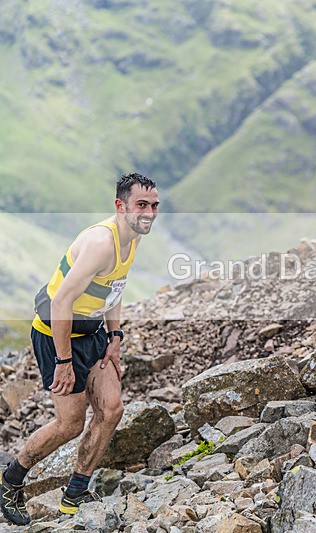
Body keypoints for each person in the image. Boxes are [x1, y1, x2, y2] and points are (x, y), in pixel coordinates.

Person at [0, 174, 158, 525]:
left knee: (112, 409)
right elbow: (60, 301)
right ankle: (9, 480)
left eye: (154, 205)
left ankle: (75, 493)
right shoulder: (102, 242)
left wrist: (115, 339)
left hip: (92, 331)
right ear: (121, 206)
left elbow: (114, 290)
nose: (149, 213)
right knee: (70, 424)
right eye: (141, 205)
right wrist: (63, 361)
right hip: (57, 332)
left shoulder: (134, 238)